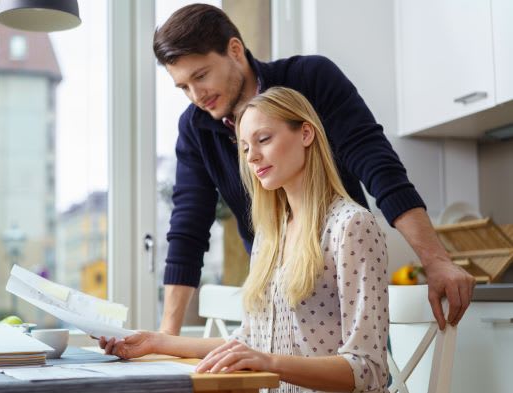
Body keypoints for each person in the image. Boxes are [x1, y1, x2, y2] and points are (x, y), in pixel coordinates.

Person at [156, 4, 474, 336]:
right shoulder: (195, 128)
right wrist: (167, 334)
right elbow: (188, 230)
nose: (196, 96)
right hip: (273, 300)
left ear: (235, 50)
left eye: (201, 76)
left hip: (343, 289)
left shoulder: (311, 79)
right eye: (183, 87)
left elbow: (378, 165)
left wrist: (435, 259)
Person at [101, 87, 391, 393]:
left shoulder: (351, 226)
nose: (251, 157)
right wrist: (158, 343)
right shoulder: (270, 235)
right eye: (244, 147)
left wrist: (269, 363)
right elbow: (251, 342)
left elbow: (369, 369)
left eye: (263, 139)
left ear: (306, 133)